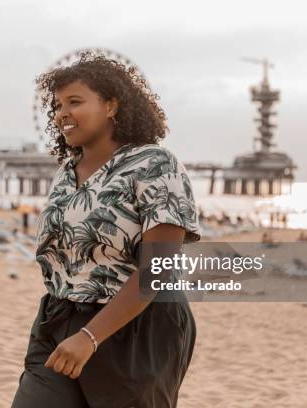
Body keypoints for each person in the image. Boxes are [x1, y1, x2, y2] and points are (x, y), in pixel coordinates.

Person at [12, 52, 200, 408]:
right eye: (57, 105)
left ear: (112, 105)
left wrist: (90, 336)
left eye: (75, 101)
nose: (61, 112)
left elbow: (158, 270)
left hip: (138, 328)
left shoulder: (155, 164)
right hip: (58, 319)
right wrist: (71, 328)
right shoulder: (66, 173)